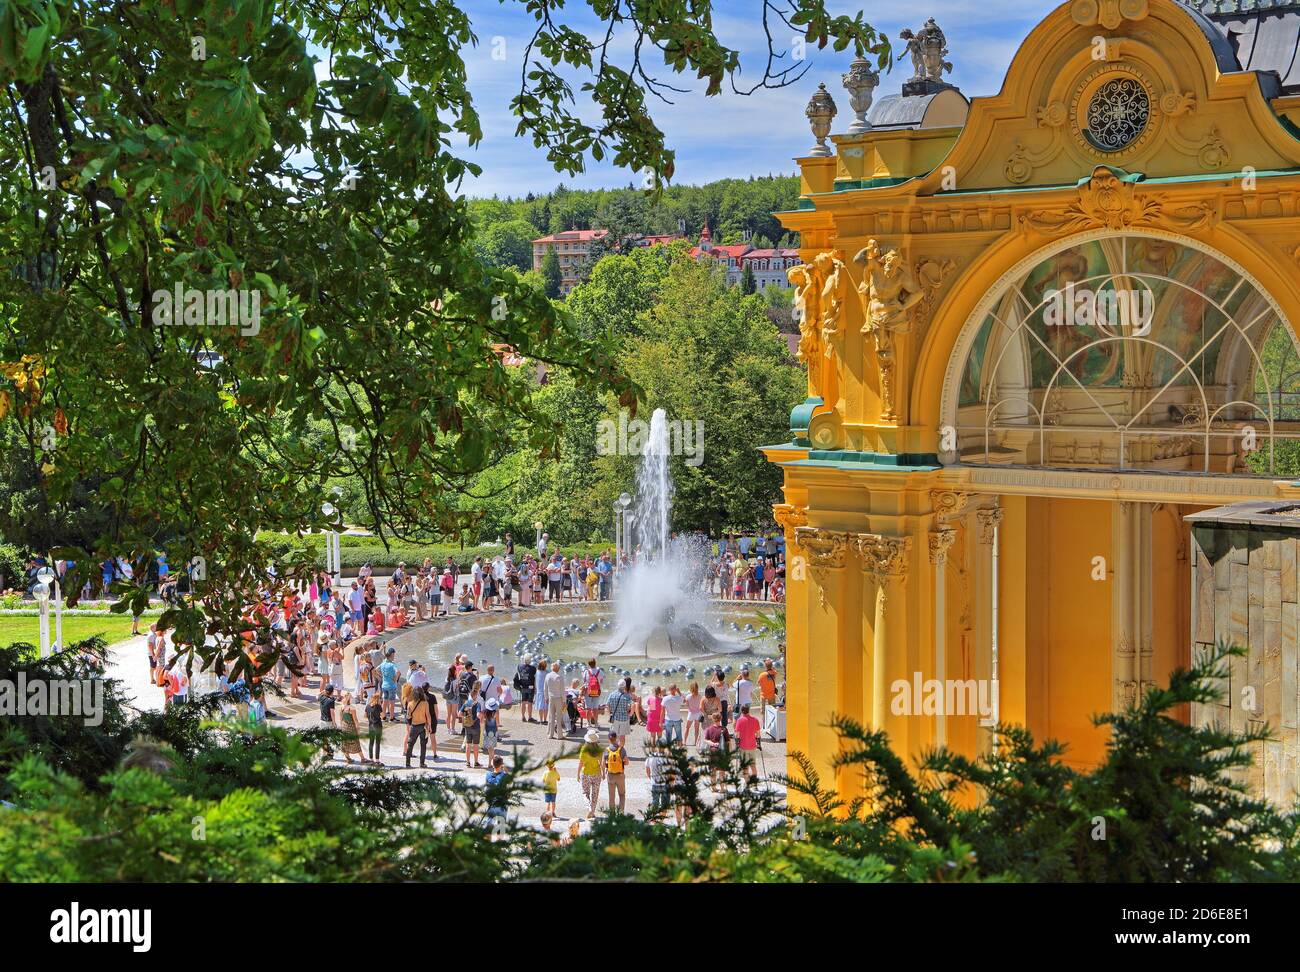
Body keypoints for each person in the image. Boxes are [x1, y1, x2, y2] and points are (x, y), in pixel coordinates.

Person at [405, 685, 436, 768]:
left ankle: (407, 763)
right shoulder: (425, 703)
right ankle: (422, 763)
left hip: (414, 726)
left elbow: (408, 716)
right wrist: (429, 726)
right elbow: (428, 716)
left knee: (410, 744)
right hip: (423, 726)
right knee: (423, 745)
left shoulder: (410, 704)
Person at [577, 728, 604, 818]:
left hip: (585, 773)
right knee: (595, 794)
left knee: (585, 793)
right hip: (596, 773)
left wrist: (577, 774)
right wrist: (603, 773)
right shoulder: (599, 749)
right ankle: (592, 811)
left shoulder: (584, 749)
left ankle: (589, 808)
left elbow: (581, 763)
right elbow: (601, 763)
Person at [734, 704, 762, 781]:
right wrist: (758, 744)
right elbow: (758, 734)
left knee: (745, 767)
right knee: (753, 765)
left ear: (741, 711)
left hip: (743, 746)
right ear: (748, 710)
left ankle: (747, 783)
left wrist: (737, 744)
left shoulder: (739, 720)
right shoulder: (755, 720)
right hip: (752, 746)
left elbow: (737, 735)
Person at [602, 731, 628, 813]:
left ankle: (612, 815)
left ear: (609, 739)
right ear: (616, 738)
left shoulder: (607, 750)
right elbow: (627, 762)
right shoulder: (621, 749)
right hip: (620, 775)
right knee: (622, 795)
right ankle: (620, 812)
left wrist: (605, 771)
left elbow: (603, 764)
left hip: (610, 775)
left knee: (611, 797)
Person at [338, 692, 367, 765]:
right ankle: (362, 758)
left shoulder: (341, 706)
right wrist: (358, 728)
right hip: (351, 727)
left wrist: (341, 726)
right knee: (356, 743)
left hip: (344, 726)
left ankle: (348, 758)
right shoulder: (351, 708)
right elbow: (355, 719)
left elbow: (341, 718)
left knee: (345, 743)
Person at [461, 683, 483, 768]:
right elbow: (478, 715)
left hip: (467, 726)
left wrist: (466, 716)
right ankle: (476, 762)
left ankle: (468, 762)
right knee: (476, 745)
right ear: (476, 696)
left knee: (468, 744)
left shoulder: (466, 703)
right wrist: (481, 717)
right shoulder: (477, 704)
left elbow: (459, 714)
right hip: (476, 726)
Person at [645, 743, 671, 817]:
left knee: (655, 803)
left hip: (654, 783)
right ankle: (661, 820)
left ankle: (655, 821)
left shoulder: (651, 756)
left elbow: (647, 769)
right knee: (664, 805)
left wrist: (651, 778)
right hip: (665, 784)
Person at [605, 677, 633, 743]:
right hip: (624, 718)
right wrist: (630, 714)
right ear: (624, 686)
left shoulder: (612, 694)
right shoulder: (627, 696)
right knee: (622, 736)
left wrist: (609, 715)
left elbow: (607, 705)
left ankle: (614, 749)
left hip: (615, 718)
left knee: (614, 735)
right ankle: (621, 749)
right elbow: (632, 706)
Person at [484, 755, 508, 826]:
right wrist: (505, 769)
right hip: (501, 804)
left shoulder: (488, 775)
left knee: (488, 826)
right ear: (501, 765)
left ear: (492, 764)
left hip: (491, 803)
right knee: (500, 828)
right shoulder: (504, 776)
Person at [378, 648, 401, 721]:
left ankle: (383, 716)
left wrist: (381, 676)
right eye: (394, 655)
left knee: (385, 701)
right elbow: (398, 672)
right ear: (391, 655)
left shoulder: (383, 663)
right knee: (392, 702)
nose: (394, 656)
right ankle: (391, 717)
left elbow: (375, 670)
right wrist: (396, 679)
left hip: (384, 685)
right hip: (391, 686)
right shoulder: (392, 664)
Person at [545, 661, 567, 738]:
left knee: (551, 716)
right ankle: (559, 735)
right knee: (559, 717)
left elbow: (545, 688)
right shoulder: (559, 677)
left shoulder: (548, 676)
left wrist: (546, 697)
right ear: (557, 669)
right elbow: (562, 690)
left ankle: (550, 734)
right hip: (558, 698)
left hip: (551, 697)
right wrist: (564, 700)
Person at [515, 654, 537, 723]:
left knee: (523, 702)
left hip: (522, 687)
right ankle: (530, 717)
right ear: (530, 660)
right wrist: (535, 688)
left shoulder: (519, 666)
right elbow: (534, 678)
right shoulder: (533, 668)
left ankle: (523, 717)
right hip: (530, 687)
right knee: (530, 703)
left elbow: (519, 674)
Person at [365, 689, 384, 764]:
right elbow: (383, 716)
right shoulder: (378, 706)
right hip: (378, 725)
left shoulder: (368, 706)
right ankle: (377, 760)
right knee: (377, 743)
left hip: (371, 726)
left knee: (371, 742)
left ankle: (371, 758)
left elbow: (365, 715)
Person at [583, 659, 603, 727]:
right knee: (595, 708)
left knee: (588, 708)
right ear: (595, 663)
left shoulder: (586, 671)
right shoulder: (599, 671)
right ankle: (596, 723)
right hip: (596, 691)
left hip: (588, 691)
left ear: (589, 664)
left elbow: (584, 681)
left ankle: (588, 723)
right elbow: (602, 681)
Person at [482, 697, 501, 763]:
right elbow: (498, 723)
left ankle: (491, 762)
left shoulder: (485, 713)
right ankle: (491, 762)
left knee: (489, 748)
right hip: (494, 731)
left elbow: (483, 722)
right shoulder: (496, 713)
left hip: (487, 731)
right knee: (492, 748)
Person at [684, 681, 703, 746]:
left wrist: (690, 709)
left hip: (691, 713)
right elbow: (701, 706)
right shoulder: (700, 696)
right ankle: (695, 743)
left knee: (687, 728)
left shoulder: (688, 696)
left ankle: (684, 742)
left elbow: (687, 705)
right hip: (698, 714)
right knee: (696, 729)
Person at [533, 659, 549, 725]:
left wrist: (535, 689)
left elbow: (535, 681)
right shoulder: (547, 672)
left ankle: (541, 720)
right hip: (545, 692)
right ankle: (545, 720)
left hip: (539, 691)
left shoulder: (537, 672)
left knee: (540, 707)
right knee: (545, 707)